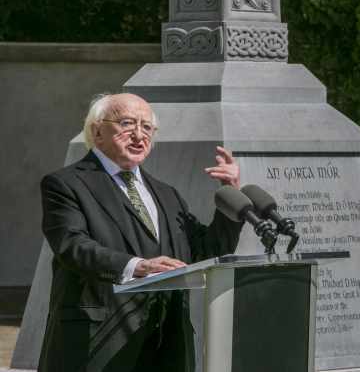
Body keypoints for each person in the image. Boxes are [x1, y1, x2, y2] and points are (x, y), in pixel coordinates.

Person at [38, 93, 243, 372]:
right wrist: (137, 266)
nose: (139, 134)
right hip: (100, 341)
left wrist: (230, 195)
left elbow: (205, 252)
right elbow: (72, 246)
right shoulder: (65, 184)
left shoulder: (166, 194)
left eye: (147, 127)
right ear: (97, 131)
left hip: (166, 343)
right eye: (127, 123)